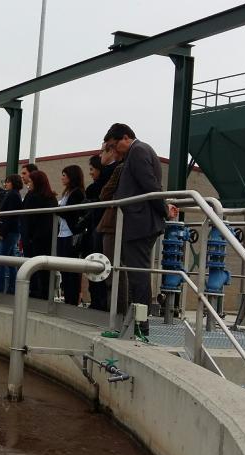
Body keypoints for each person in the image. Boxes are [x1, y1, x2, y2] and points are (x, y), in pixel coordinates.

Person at [103, 123, 168, 335]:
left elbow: (150, 185)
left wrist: (164, 211)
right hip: (138, 221)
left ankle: (141, 325)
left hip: (141, 223)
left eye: (115, 146)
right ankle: (135, 322)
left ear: (125, 138)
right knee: (134, 272)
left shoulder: (138, 151)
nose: (115, 151)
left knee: (138, 274)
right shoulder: (136, 151)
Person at [82, 146, 120, 309]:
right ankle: (99, 301)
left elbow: (104, 195)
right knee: (98, 263)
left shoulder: (112, 172)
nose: (100, 153)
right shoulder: (110, 173)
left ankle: (102, 303)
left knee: (101, 264)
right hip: (99, 225)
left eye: (103, 150)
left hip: (103, 225)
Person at [21, 170, 58, 299]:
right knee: (46, 269)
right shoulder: (51, 197)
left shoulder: (32, 196)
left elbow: (27, 217)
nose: (28, 184)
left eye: (30, 181)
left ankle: (35, 293)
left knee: (33, 267)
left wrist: (28, 237)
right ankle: (46, 294)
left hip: (33, 239)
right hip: (48, 238)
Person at [57, 165, 86, 305]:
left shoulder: (77, 193)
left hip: (71, 234)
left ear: (71, 176)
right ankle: (68, 298)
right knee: (63, 269)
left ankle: (72, 300)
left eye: (64, 175)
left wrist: (57, 210)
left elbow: (71, 213)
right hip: (62, 234)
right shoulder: (67, 192)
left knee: (71, 271)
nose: (62, 177)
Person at [0, 174, 23, 294]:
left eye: (7, 182)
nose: (5, 184)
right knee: (11, 262)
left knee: (0, 260)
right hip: (13, 231)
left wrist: (2, 232)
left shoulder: (12, 195)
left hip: (9, 232)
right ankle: (12, 288)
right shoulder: (16, 195)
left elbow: (9, 216)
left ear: (13, 183)